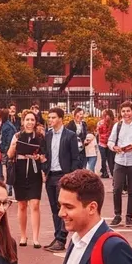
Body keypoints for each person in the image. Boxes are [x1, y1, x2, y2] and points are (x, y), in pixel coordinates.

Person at [44, 107, 82, 251]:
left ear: (60, 118)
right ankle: (57, 237)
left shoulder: (70, 135)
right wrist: (43, 166)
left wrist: (70, 176)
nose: (51, 120)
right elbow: (46, 154)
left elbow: (75, 158)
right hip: (50, 175)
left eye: (53, 117)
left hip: (63, 175)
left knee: (63, 208)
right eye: (49, 117)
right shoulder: (48, 135)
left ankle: (61, 239)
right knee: (55, 209)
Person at [7, 110, 46, 249]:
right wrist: (14, 145)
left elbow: (44, 156)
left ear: (35, 122)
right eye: (27, 120)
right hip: (20, 171)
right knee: (22, 205)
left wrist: (39, 157)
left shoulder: (40, 137)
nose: (30, 122)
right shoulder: (17, 135)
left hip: (34, 171)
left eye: (32, 120)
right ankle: (23, 235)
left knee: (35, 204)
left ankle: (36, 237)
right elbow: (9, 154)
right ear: (23, 121)